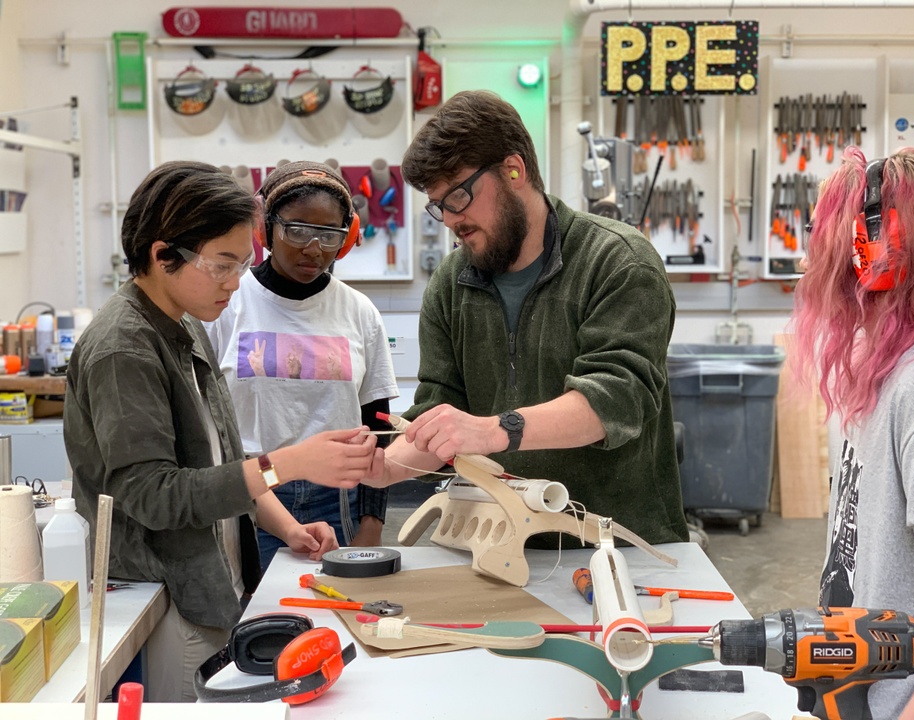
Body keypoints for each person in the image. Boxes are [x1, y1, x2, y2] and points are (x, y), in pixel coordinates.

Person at [62, 161, 380, 702]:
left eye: (241, 264)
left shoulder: (185, 322)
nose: (236, 282)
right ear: (164, 255)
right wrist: (292, 464)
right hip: (167, 594)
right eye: (222, 265)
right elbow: (152, 496)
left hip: (211, 578)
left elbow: (219, 460)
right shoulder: (124, 349)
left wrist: (286, 526)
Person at [363, 90, 688, 546]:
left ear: (513, 170)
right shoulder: (451, 284)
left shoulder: (618, 262)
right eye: (439, 206)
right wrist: (386, 468)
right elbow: (438, 409)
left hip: (618, 543)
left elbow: (615, 399)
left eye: (458, 195)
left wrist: (493, 429)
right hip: (499, 544)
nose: (450, 220)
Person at [790, 147, 914, 719]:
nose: (821, 251)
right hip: (858, 691)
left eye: (835, 232)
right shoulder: (878, 363)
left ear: (879, 250)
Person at [206, 161, 398, 569]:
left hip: (338, 496)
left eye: (330, 234)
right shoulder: (228, 305)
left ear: (347, 239)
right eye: (297, 230)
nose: (314, 248)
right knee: (256, 615)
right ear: (266, 229)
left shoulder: (359, 313)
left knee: (336, 614)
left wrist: (372, 520)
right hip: (254, 489)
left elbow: (377, 427)